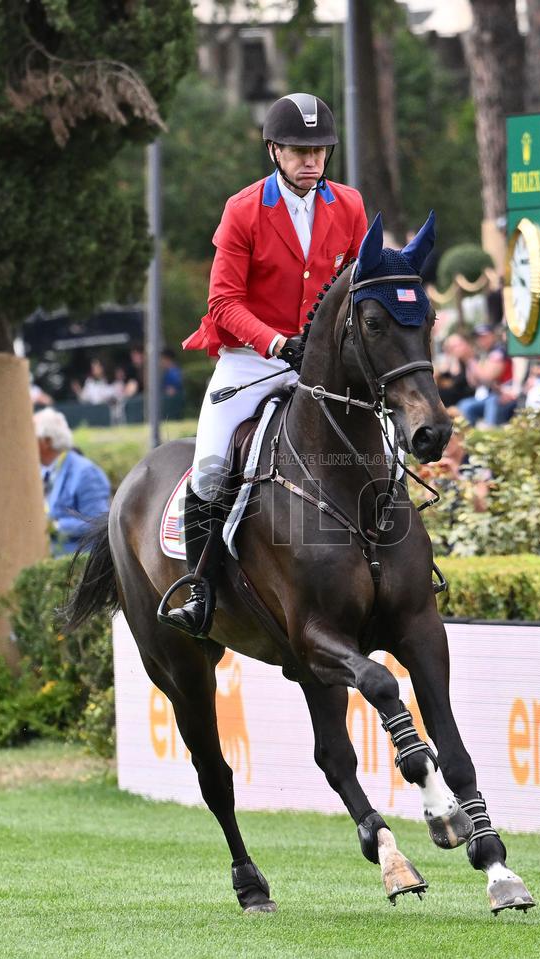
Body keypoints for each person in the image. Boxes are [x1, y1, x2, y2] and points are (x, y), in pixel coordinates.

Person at [165, 92, 367, 636]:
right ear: (275, 149)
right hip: (251, 362)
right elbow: (222, 304)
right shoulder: (244, 210)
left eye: (321, 150)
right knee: (209, 471)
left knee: (381, 441)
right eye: (301, 150)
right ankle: (199, 589)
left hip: (322, 366)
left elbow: (361, 284)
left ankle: (401, 564)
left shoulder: (348, 205)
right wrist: (279, 344)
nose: (312, 161)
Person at [34, 408, 111, 556]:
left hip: (77, 565)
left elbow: (98, 524)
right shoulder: (39, 471)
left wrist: (55, 526)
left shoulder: (85, 472)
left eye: (31, 436)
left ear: (46, 441)